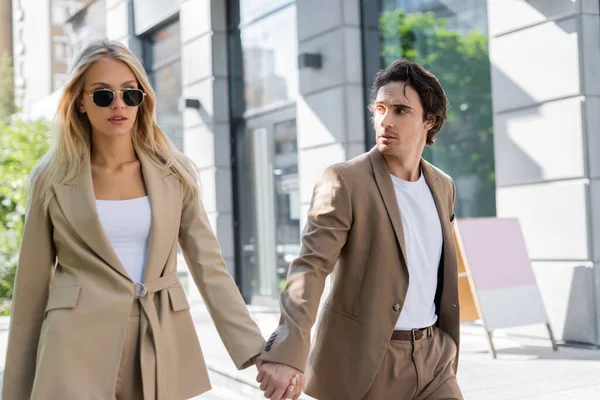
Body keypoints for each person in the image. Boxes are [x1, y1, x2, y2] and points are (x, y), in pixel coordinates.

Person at [1, 39, 301, 400]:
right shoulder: (51, 178)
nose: (118, 105)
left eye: (130, 94)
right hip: (74, 345)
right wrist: (15, 388)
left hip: (157, 340)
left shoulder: (174, 173)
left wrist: (256, 351)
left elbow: (209, 266)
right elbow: (31, 288)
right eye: (102, 95)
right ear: (79, 101)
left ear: (143, 100)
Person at [256, 59, 464, 400]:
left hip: (434, 358)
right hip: (368, 363)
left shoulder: (443, 186)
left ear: (429, 120)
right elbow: (310, 266)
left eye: (400, 110)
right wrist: (288, 349)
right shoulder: (345, 181)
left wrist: (446, 343)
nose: (384, 120)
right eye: (380, 108)